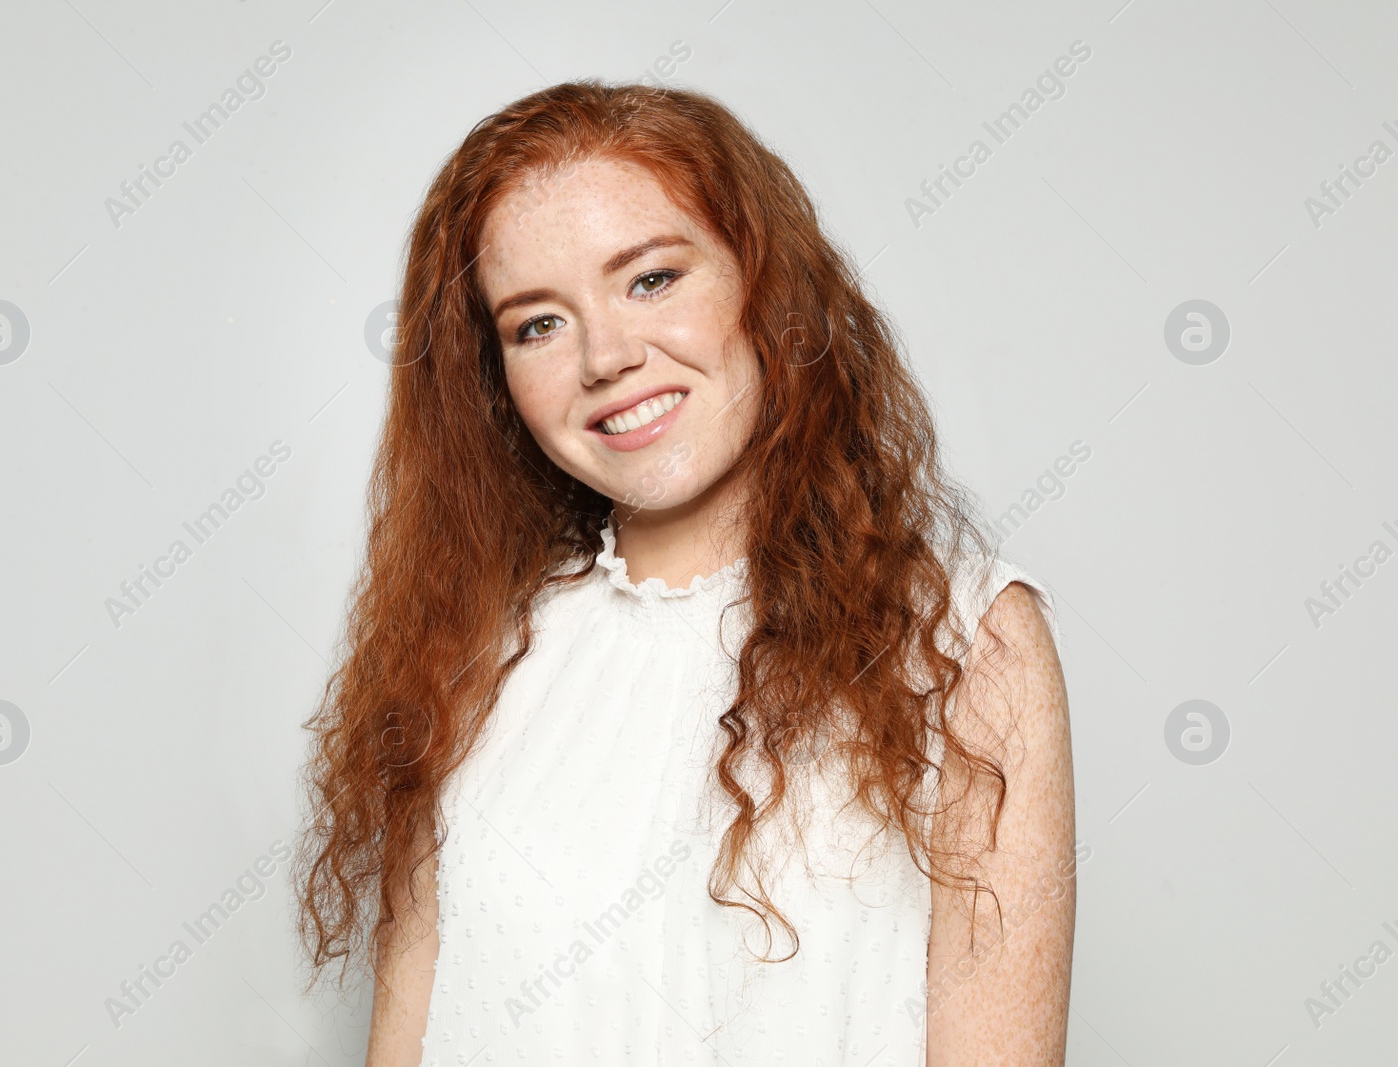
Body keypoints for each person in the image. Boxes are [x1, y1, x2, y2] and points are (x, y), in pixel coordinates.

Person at [293, 80, 1077, 1066]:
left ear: (762, 282)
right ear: (494, 380)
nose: (607, 355)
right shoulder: (461, 665)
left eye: (652, 278)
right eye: (538, 323)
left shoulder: (966, 639)